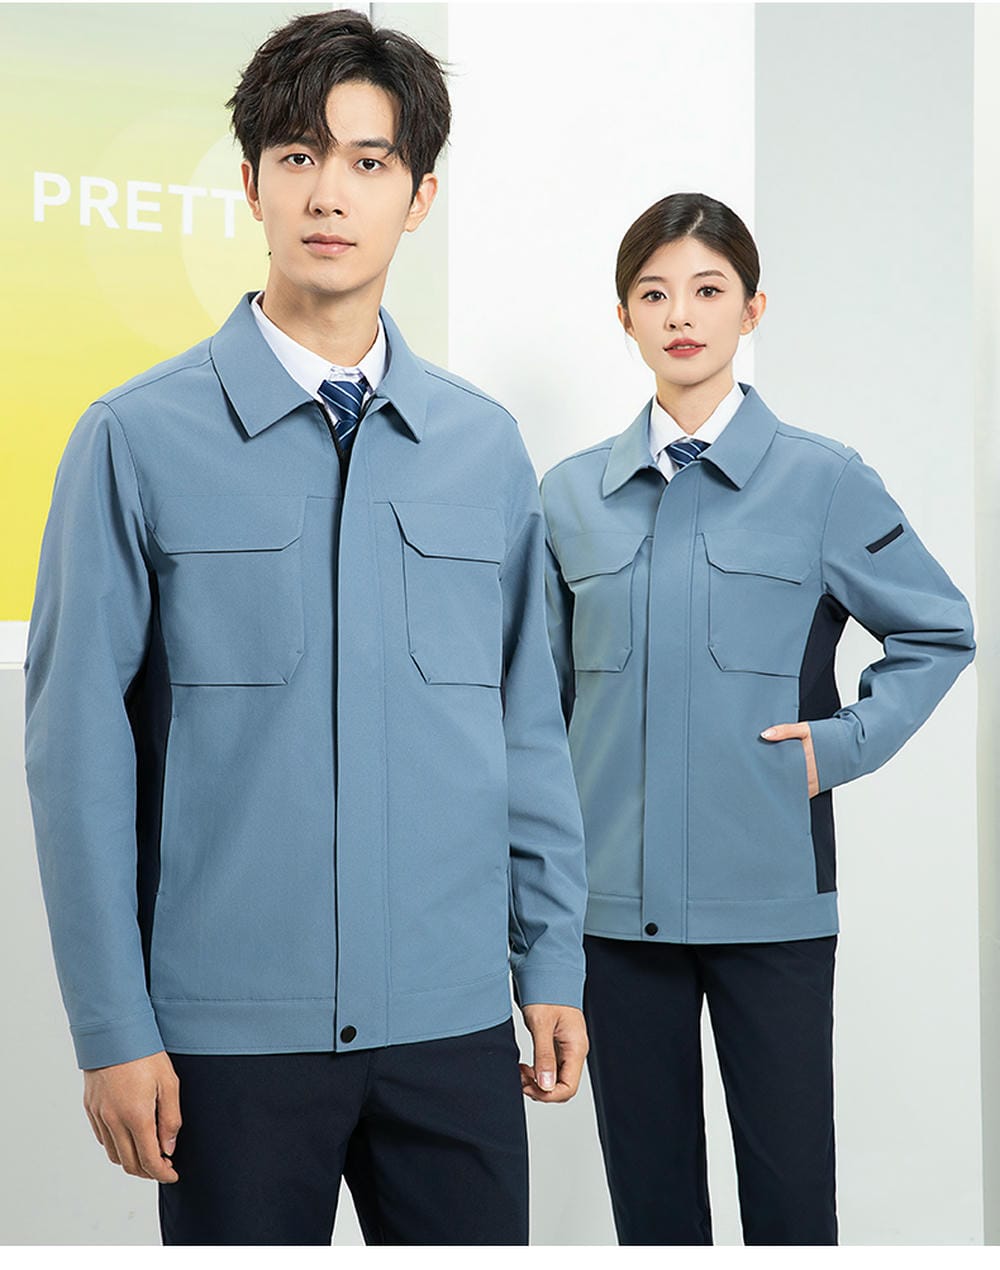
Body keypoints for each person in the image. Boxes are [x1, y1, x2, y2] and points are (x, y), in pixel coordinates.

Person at [24, 10, 589, 1247]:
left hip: (450, 1028)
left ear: (418, 196)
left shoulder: (483, 447)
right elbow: (77, 756)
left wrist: (550, 959)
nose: (329, 193)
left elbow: (527, 730)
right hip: (229, 1043)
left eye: (368, 161)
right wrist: (113, 1028)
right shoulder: (134, 439)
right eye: (297, 156)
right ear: (251, 184)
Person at [539, 192, 975, 1246]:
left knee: (789, 1205)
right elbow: (539, 710)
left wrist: (840, 746)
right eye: (654, 294)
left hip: (773, 906)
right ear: (624, 318)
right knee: (651, 1209)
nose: (681, 315)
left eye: (708, 290)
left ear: (752, 308)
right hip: (613, 917)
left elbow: (939, 630)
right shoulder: (568, 498)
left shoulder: (823, 481)